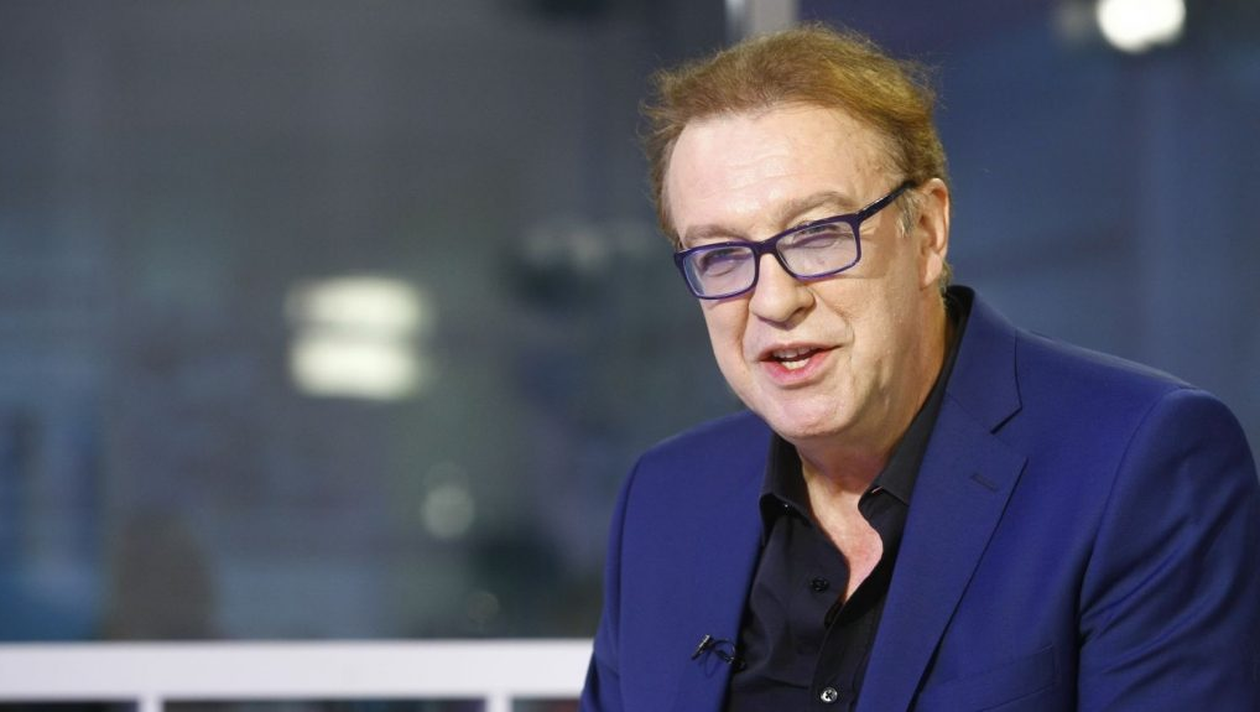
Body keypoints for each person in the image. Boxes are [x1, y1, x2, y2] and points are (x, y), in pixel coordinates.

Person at [579, 23, 1260, 712]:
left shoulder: (1144, 464)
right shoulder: (665, 498)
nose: (775, 301)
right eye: (721, 256)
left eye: (818, 236)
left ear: (928, 232)